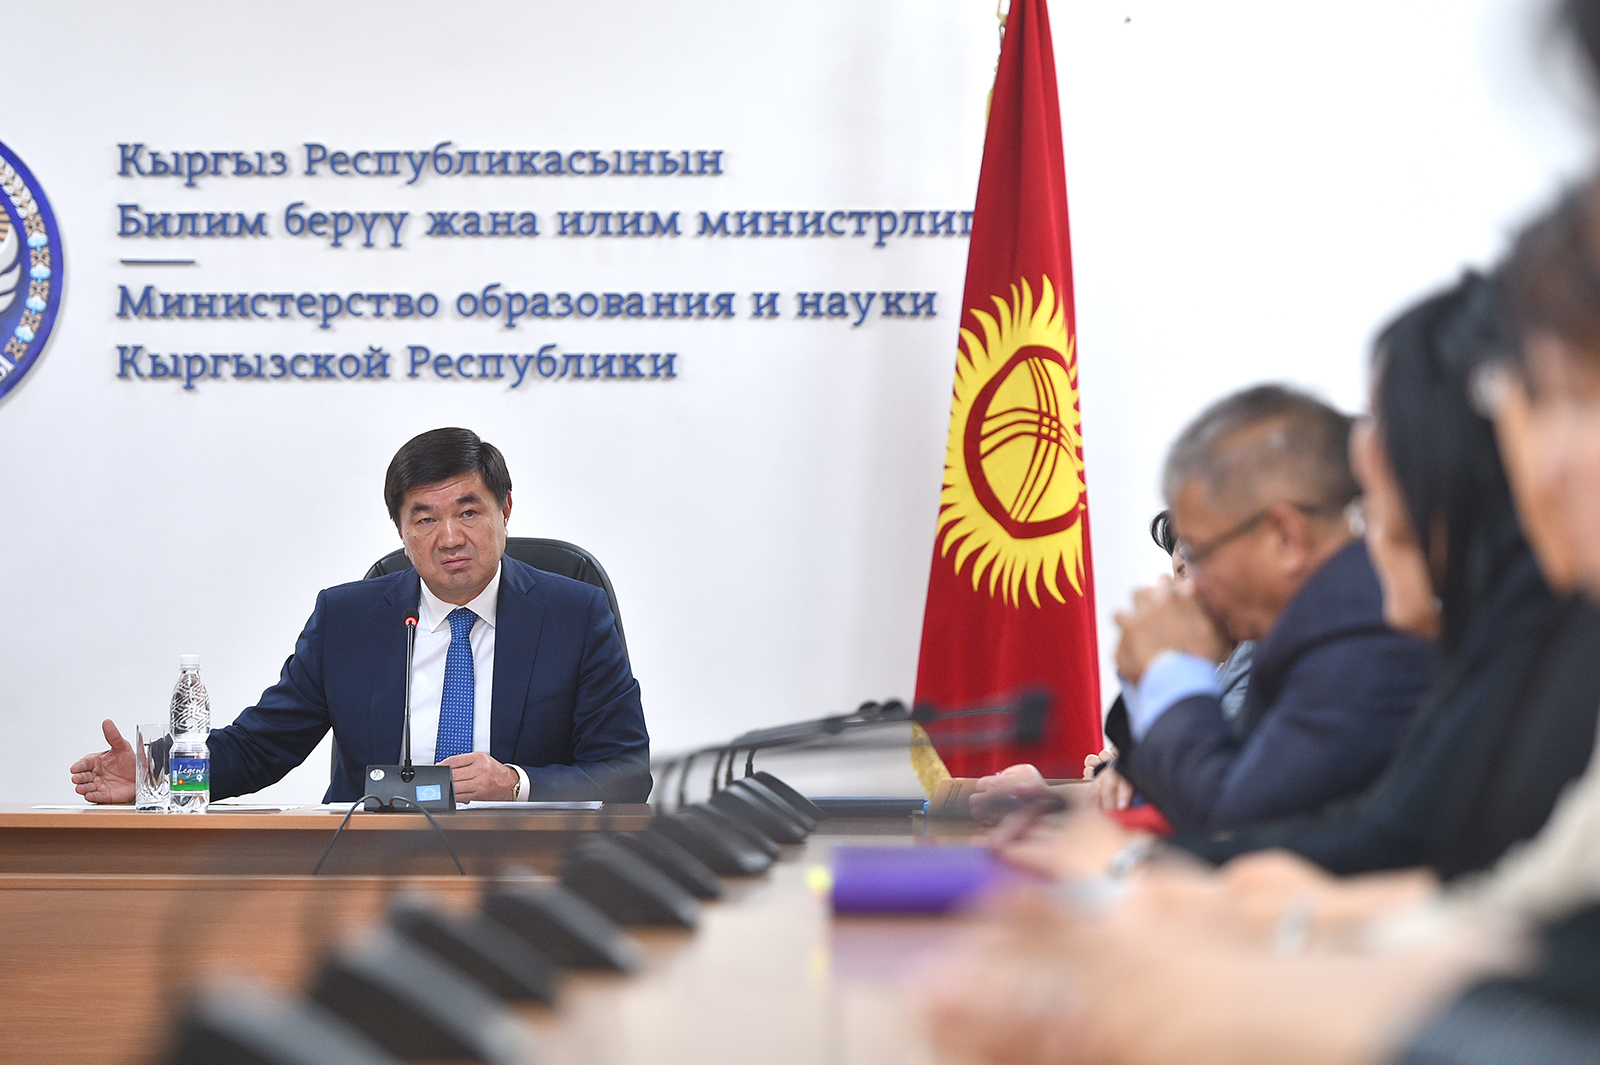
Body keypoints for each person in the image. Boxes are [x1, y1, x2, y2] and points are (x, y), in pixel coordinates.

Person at [69, 427, 651, 804]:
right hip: (368, 869)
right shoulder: (348, 619)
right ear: (401, 532)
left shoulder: (574, 614)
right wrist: (158, 773)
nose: (450, 537)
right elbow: (259, 748)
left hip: (521, 873)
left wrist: (515, 784)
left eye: (469, 512)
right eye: (425, 519)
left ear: (505, 511)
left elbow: (626, 772)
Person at [1103, 385, 1434, 831]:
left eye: (1199, 554)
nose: (1192, 586)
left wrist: (1171, 667)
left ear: (1285, 538)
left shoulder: (1363, 631)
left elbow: (1232, 824)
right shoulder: (1305, 627)